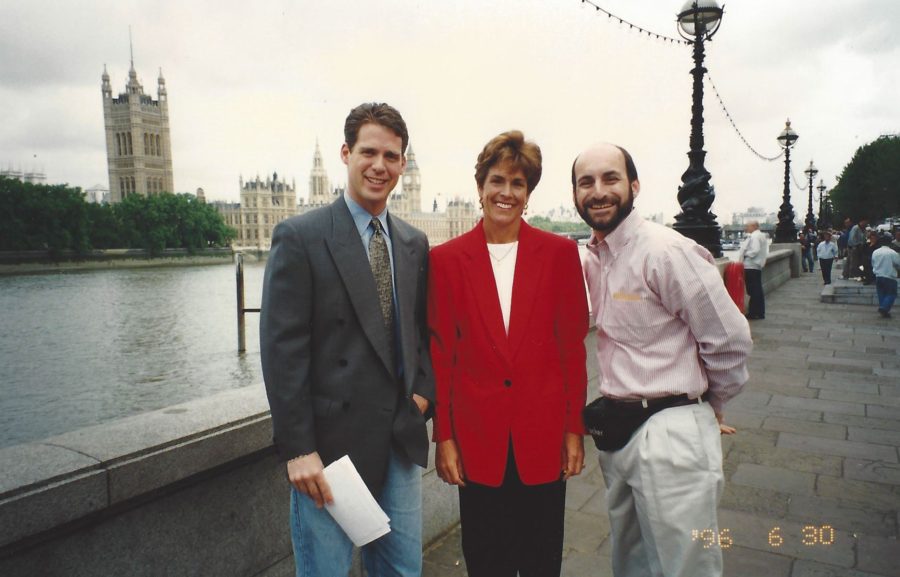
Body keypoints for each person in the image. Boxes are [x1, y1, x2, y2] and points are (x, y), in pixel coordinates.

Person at [259, 102, 434, 577]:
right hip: (331, 451)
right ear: (346, 153)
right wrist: (298, 448)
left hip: (399, 439)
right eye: (369, 152)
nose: (380, 166)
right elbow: (282, 350)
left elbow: (422, 333)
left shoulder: (413, 243)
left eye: (392, 156)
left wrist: (423, 394)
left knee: (401, 572)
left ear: (402, 164)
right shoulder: (301, 236)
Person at [572, 142, 752, 577]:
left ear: (634, 186)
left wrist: (706, 407)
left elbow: (729, 340)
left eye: (610, 178)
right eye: (586, 182)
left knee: (686, 566)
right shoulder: (596, 257)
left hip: (669, 432)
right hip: (618, 432)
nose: (598, 191)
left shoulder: (664, 251)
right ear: (576, 195)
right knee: (631, 562)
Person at [429, 131, 588, 577]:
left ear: (529, 193)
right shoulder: (445, 260)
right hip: (478, 441)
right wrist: (444, 437)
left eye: (518, 184)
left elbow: (571, 350)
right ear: (480, 187)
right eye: (497, 180)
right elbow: (441, 356)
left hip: (543, 435)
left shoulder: (559, 254)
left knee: (541, 563)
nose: (506, 192)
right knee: (486, 563)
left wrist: (573, 430)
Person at [739, 220, 769, 320]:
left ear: (754, 226)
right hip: (757, 265)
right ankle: (760, 312)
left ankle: (754, 312)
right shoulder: (761, 235)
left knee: (753, 290)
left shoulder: (754, 236)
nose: (746, 228)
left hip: (750, 265)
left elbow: (754, 250)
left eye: (747, 226)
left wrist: (746, 254)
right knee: (758, 290)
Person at [873, 234, 900, 318]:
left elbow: (873, 263)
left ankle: (883, 309)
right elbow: (898, 264)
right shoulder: (892, 253)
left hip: (878, 276)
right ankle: (884, 308)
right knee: (891, 293)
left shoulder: (875, 252)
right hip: (889, 276)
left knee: (881, 294)